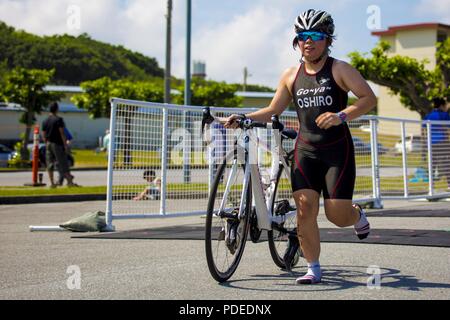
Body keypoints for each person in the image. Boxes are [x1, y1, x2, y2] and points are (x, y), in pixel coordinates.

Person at [223, 9, 377, 285]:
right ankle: (313, 267)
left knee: (337, 215)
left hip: (336, 152)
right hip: (305, 150)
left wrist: (341, 115)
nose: (308, 41)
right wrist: (243, 117)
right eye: (303, 36)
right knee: (305, 208)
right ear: (297, 41)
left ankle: (356, 214)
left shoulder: (340, 69)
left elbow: (368, 98)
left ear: (328, 40)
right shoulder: (290, 75)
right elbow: (273, 109)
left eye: (315, 36)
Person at [41, 102, 78, 188]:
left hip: (48, 143)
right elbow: (62, 133)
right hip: (57, 144)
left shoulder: (45, 121)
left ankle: (52, 183)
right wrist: (65, 145)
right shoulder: (58, 120)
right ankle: (69, 182)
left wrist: (46, 142)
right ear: (57, 109)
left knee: (49, 163)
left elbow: (43, 134)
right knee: (63, 163)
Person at [423, 98, 450, 190]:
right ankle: (449, 184)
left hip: (431, 143)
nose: (446, 107)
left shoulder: (428, 116)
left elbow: (424, 129)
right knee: (447, 163)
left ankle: (431, 186)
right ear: (441, 105)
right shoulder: (445, 115)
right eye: (445, 105)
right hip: (443, 142)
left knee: (432, 164)